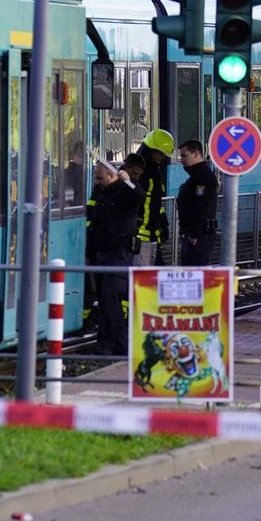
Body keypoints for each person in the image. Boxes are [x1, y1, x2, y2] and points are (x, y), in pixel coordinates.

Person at [86, 160, 141, 355]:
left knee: (111, 298)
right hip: (103, 253)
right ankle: (111, 342)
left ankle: (115, 344)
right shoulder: (102, 193)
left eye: (99, 177)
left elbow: (137, 197)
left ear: (112, 176)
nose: (96, 181)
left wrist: (128, 181)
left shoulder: (125, 191)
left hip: (118, 254)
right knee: (105, 299)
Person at [174, 139, 220, 267]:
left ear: (196, 154)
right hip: (195, 233)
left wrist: (194, 234)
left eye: (184, 155)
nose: (181, 160)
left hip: (199, 235)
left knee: (194, 271)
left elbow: (202, 206)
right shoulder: (197, 177)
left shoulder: (202, 178)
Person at [134, 129, 175, 264]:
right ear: (153, 151)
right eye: (162, 154)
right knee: (146, 278)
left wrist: (162, 222)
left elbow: (154, 203)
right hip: (141, 236)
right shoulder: (141, 173)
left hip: (148, 234)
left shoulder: (153, 172)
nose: (163, 158)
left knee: (156, 274)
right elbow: (141, 204)